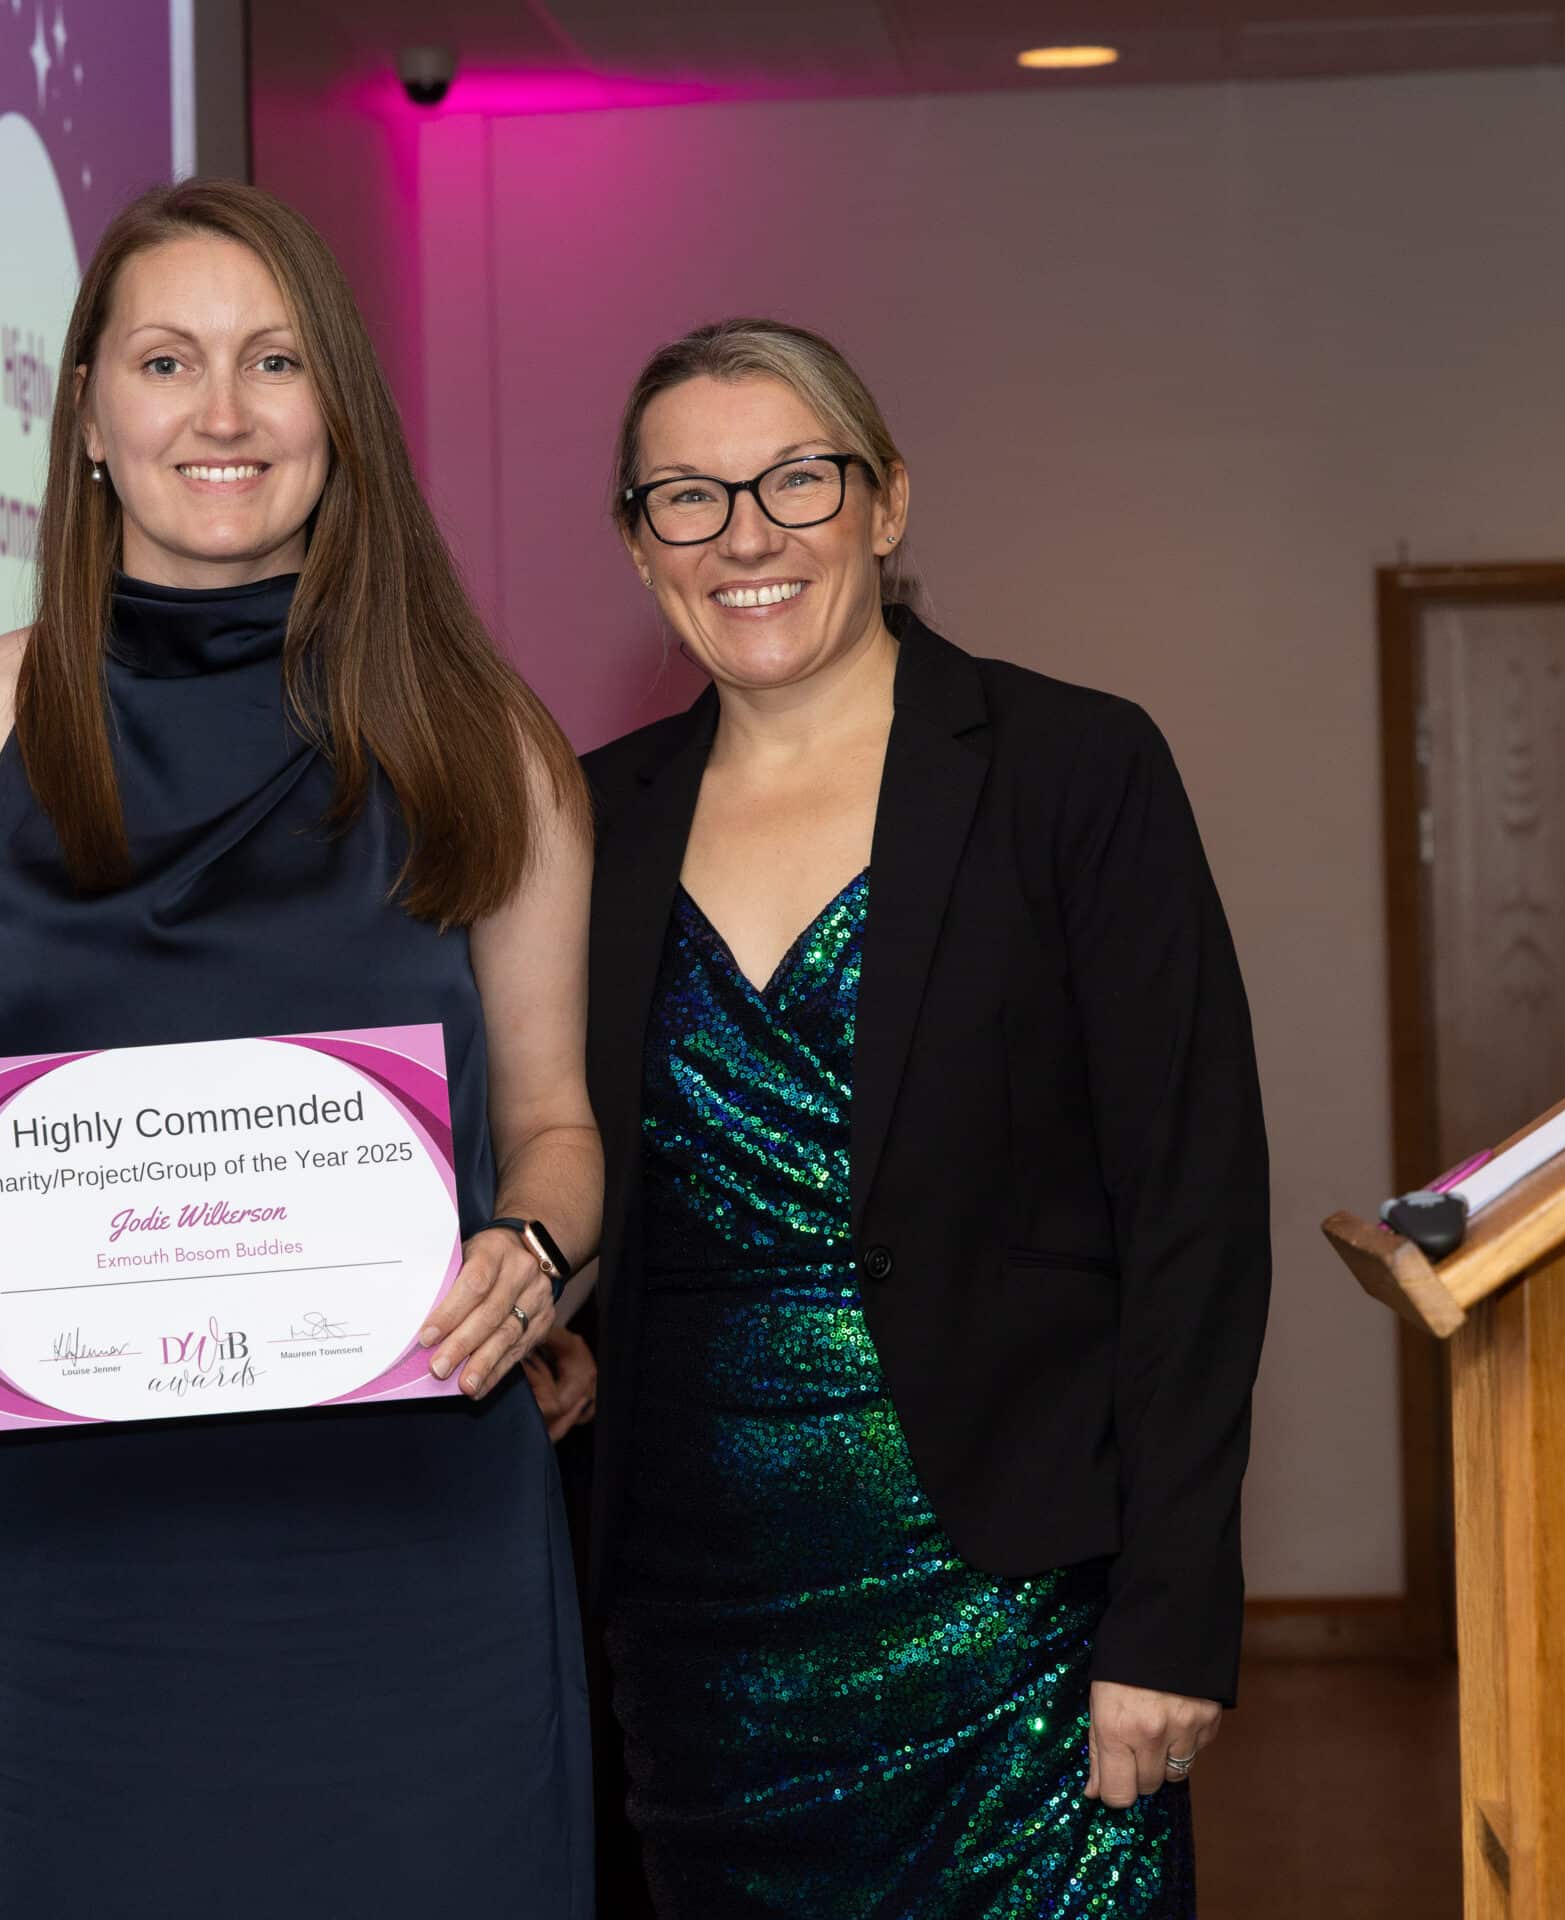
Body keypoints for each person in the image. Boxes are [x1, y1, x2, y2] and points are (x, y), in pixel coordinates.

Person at [0, 179, 600, 1918]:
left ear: (342, 415)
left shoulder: (491, 746)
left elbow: (556, 1131)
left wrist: (533, 1252)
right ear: (86, 406)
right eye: (168, 361)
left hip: (410, 1552)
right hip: (65, 1573)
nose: (224, 413)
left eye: (275, 362)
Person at [577, 318, 1268, 1916]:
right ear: (638, 546)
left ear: (885, 505)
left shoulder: (1072, 771)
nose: (745, 535)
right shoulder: (583, 815)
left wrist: (1170, 1617)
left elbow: (1195, 1213)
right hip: (698, 1635)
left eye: (795, 480)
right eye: (687, 496)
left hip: (1022, 1626)